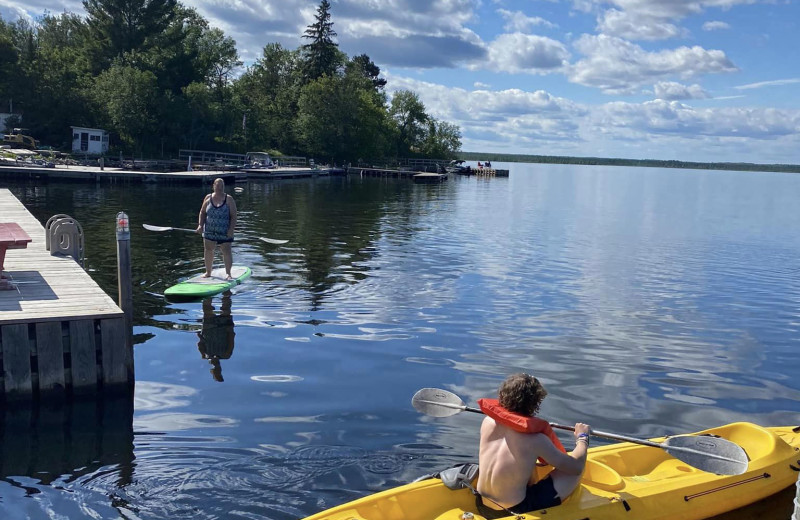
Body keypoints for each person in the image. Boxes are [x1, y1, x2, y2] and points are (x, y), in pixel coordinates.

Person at [475, 373, 590, 519]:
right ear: (535, 403)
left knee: (527, 463)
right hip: (514, 510)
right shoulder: (536, 440)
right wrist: (582, 438)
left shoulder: (488, 422)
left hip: (481, 504)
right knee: (577, 470)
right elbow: (575, 467)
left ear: (502, 395)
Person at [196, 177, 238, 279]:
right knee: (208, 250)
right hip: (209, 231)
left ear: (224, 187)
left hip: (225, 232)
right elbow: (202, 213)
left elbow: (234, 216)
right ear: (213, 186)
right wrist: (200, 225)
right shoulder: (208, 198)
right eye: (217, 185)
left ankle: (228, 274)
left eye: (221, 186)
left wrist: (231, 230)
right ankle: (208, 272)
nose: (219, 187)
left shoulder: (229, 199)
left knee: (226, 251)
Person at [196, 294, 235, 382]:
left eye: (215, 370)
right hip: (224, 328)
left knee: (207, 308)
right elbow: (231, 340)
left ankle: (208, 293)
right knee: (226, 308)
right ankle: (226, 292)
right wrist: (230, 329)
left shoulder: (205, 355)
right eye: (218, 370)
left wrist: (199, 334)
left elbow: (200, 343)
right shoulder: (226, 355)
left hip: (209, 328)